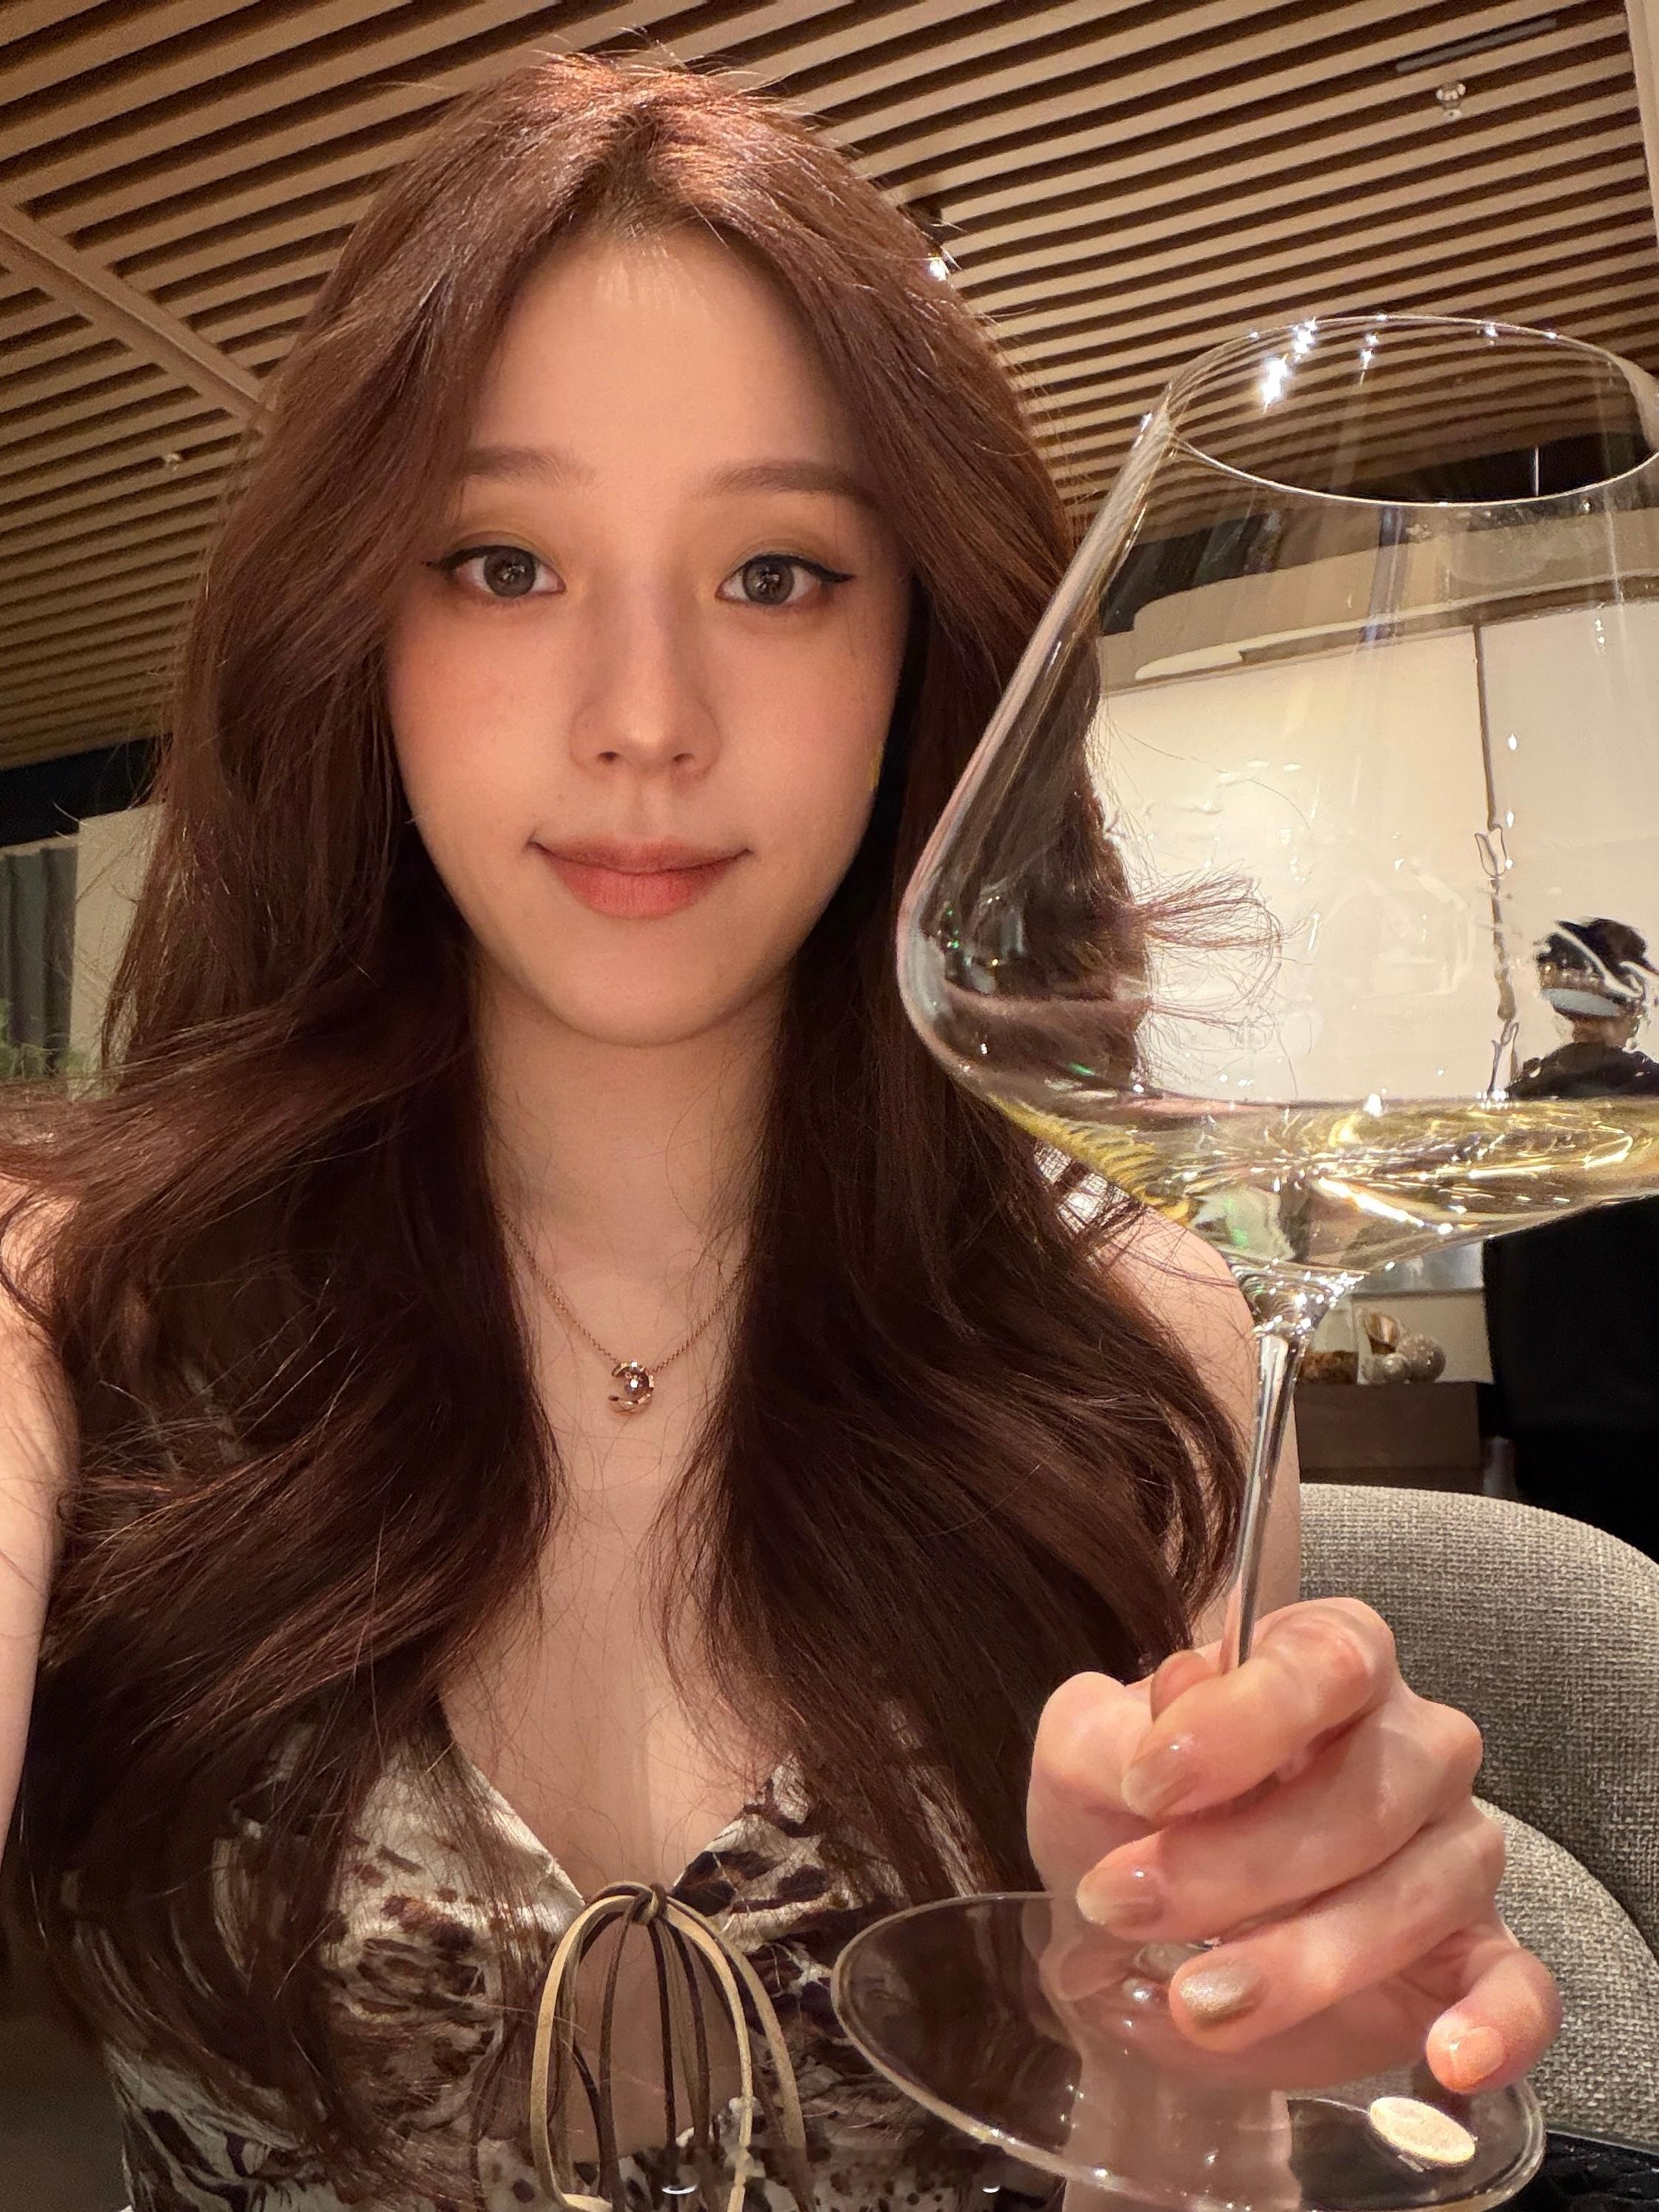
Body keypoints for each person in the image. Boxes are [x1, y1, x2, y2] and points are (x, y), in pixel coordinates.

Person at [0, 53, 1555, 2212]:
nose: (644, 718)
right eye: (503, 560)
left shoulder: (1153, 1345)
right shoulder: (71, 1301)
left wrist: (1190, 2055)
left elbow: (1174, 2156)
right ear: (351, 624)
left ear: (924, 646)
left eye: (776, 575)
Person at [1484, 917, 1659, 1557]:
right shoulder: (1651, 1105)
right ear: (1634, 1003)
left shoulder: (1514, 1111)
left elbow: (1499, 1272)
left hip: (1546, 1415)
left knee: (1577, 1587)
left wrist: (1510, 1416)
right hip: (1647, 1414)